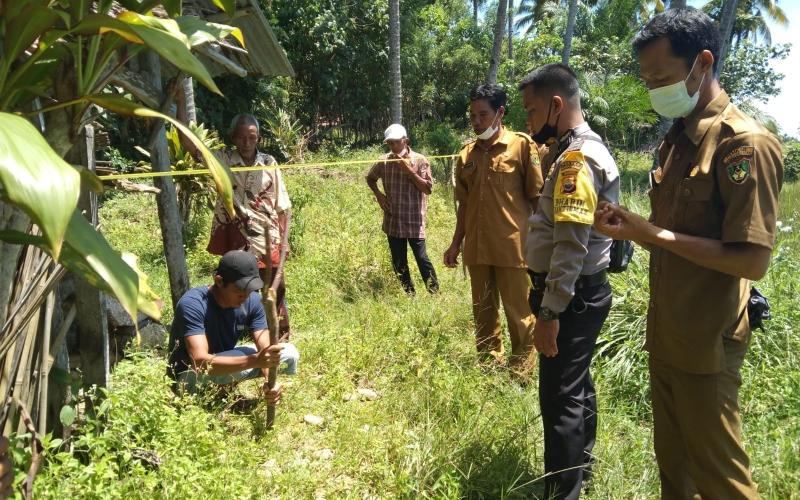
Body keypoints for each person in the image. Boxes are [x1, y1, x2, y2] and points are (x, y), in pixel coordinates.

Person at [594, 8, 783, 499]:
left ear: (702, 63)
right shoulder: (676, 141)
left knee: (720, 478)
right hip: (668, 332)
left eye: (663, 77)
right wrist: (628, 226)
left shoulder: (744, 144)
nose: (655, 90)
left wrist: (648, 234)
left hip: (707, 339)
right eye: (648, 80)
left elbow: (750, 260)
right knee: (674, 470)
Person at [520, 63, 619, 499]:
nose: (527, 122)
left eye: (532, 110)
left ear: (556, 105)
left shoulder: (576, 160)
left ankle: (563, 491)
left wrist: (549, 310)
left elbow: (571, 246)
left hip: (570, 296)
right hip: (580, 292)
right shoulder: (572, 151)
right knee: (576, 386)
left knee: (559, 399)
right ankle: (583, 467)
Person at [443, 84, 543, 374]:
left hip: (513, 248)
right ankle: (489, 365)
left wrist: (542, 246)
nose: (476, 121)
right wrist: (455, 244)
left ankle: (521, 372)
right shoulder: (466, 155)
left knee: (520, 313)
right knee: (483, 312)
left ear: (500, 112)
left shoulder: (522, 146)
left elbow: (536, 199)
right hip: (477, 247)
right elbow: (465, 205)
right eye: (472, 115)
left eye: (483, 115)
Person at [183, 112, 293, 342]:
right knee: (237, 284)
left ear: (258, 138)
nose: (247, 142)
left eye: (252, 137)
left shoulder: (269, 163)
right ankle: (241, 330)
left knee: (274, 283)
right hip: (234, 234)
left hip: (266, 233)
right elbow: (192, 147)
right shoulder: (222, 159)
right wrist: (180, 105)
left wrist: (284, 239)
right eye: (242, 137)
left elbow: (282, 204)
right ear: (233, 137)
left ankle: (279, 333)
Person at [167, 250, 300, 396]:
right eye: (239, 290)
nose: (245, 296)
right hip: (189, 379)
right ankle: (218, 391)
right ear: (219, 281)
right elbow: (200, 363)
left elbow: (266, 348)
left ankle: (223, 389)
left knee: (289, 353)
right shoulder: (193, 304)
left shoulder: (252, 300)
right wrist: (255, 361)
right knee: (246, 356)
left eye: (250, 289)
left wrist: (270, 382)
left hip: (225, 365)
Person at [366, 124, 439, 294]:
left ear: (406, 141)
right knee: (399, 261)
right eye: (390, 143)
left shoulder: (420, 160)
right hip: (394, 219)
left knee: (421, 258)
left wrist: (408, 170)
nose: (393, 146)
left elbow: (427, 189)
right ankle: (409, 293)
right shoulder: (384, 161)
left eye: (396, 142)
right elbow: (370, 178)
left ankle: (434, 292)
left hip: (414, 219)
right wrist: (378, 194)